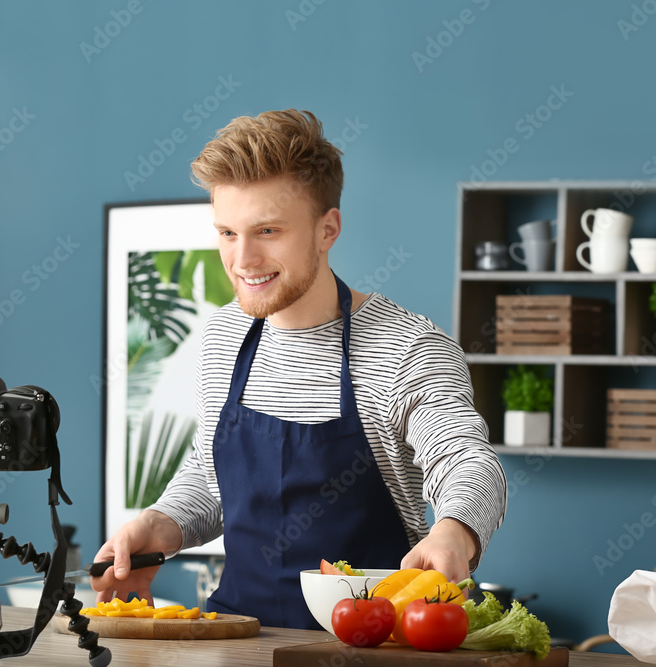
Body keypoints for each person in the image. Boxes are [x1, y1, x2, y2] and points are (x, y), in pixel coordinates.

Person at [93, 109, 507, 630]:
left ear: (327, 229)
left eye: (267, 230)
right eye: (226, 232)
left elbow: (470, 463)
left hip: (370, 649)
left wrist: (454, 531)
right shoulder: (224, 338)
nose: (243, 259)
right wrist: (162, 523)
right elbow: (210, 473)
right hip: (236, 641)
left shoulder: (407, 348)